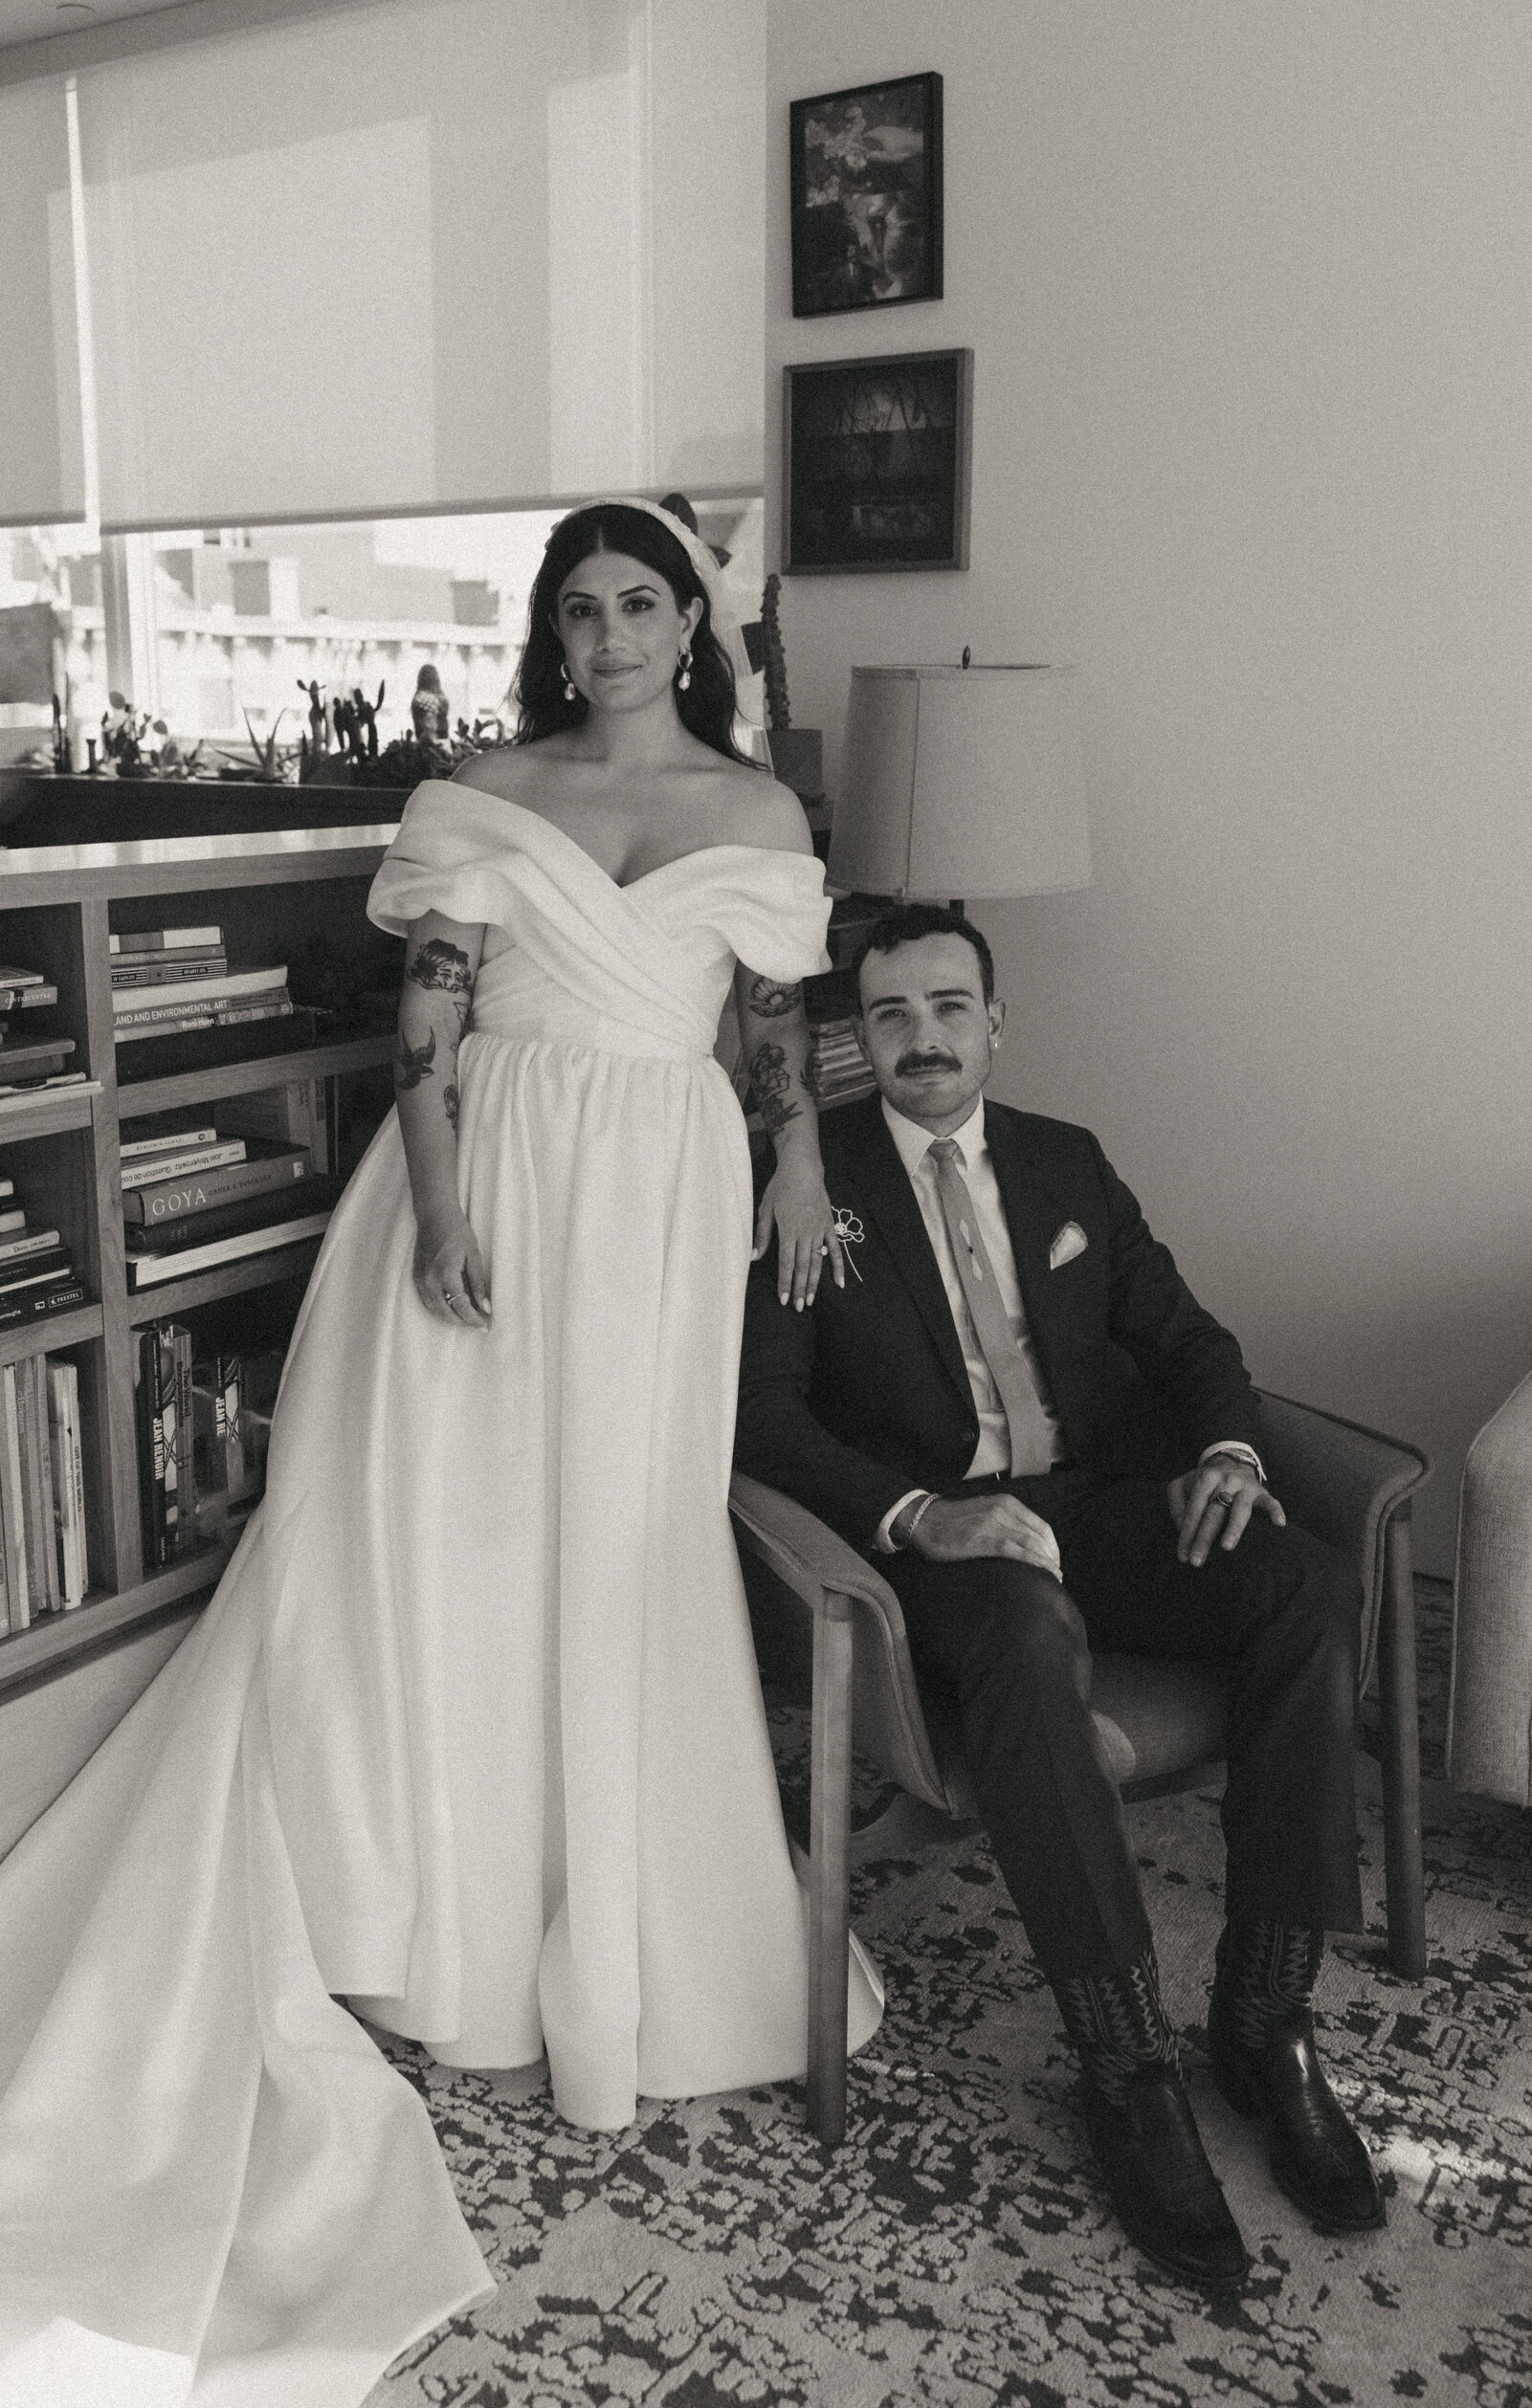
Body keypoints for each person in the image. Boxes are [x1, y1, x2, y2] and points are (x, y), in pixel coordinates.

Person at [0, 498, 881, 2407]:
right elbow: (428, 1024)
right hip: (501, 1173)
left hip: (659, 1184)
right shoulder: (483, 786)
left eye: (642, 597)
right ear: (553, 638)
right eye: (581, 607)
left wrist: (800, 1155)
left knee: (622, 1542)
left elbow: (779, 1017)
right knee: (441, 1541)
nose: (614, 629)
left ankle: (616, 1911)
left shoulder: (755, 814)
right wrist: (435, 1201)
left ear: (690, 620)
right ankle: (430, 1908)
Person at [734, 902, 1382, 2298]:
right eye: (890, 1015)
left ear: (995, 1021)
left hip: (1097, 1501)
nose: (922, 1040)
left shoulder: (1066, 1162)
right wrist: (924, 1513)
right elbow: (764, 1420)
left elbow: (1190, 1340)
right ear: (857, 1036)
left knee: (1304, 1588)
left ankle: (1264, 2018)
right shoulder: (809, 1186)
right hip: (939, 1555)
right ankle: (1125, 2058)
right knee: (1029, 1636)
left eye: (948, 1008)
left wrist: (1221, 1452)